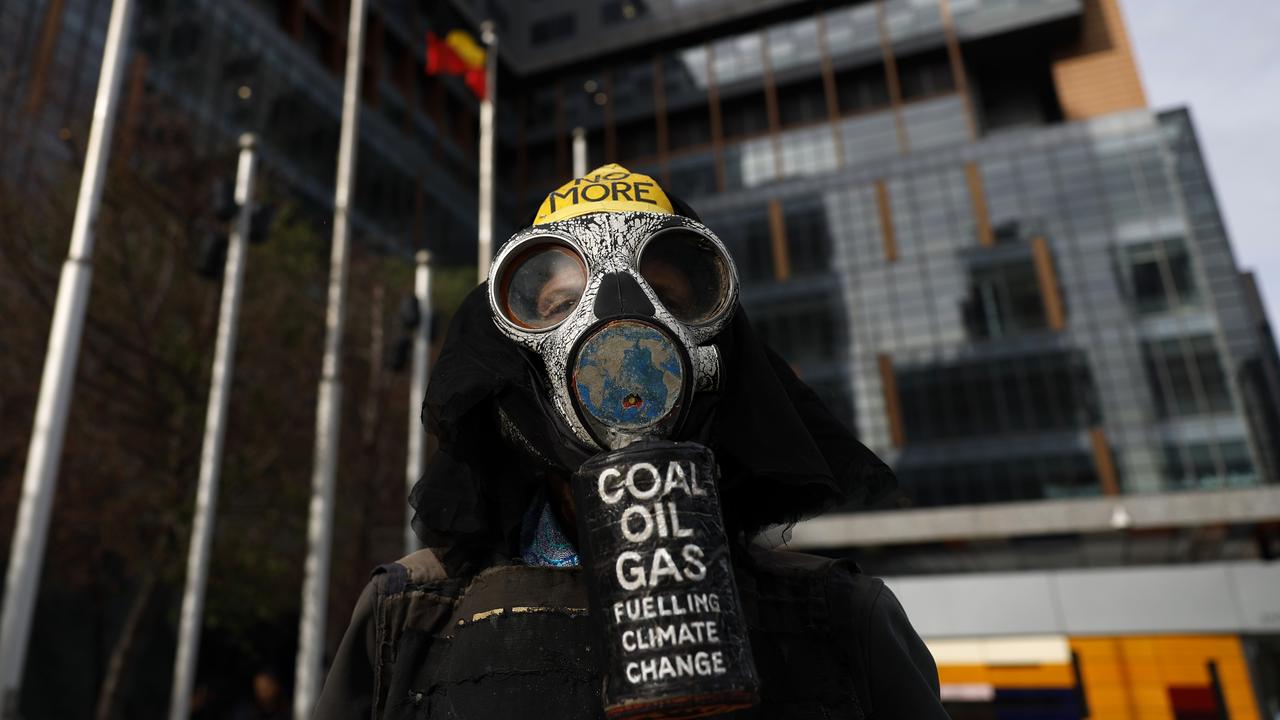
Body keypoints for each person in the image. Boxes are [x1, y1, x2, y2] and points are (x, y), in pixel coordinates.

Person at [314, 165, 949, 719]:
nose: (620, 323)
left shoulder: (840, 619)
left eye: (667, 298)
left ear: (717, 343)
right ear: (515, 353)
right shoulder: (412, 615)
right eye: (561, 302)